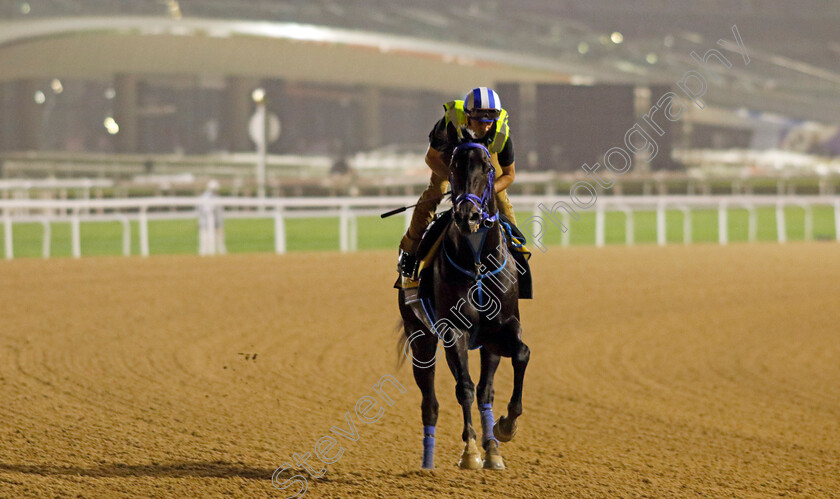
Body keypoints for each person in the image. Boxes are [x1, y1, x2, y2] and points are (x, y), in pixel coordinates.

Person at [397, 87, 517, 278]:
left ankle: (516, 251)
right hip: (450, 159)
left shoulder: (501, 133)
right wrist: (456, 180)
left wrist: (486, 190)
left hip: (485, 158)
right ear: (468, 115)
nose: (485, 127)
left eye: (489, 122)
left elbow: (509, 175)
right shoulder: (447, 125)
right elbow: (431, 158)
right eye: (479, 121)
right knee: (434, 193)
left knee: (501, 201)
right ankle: (409, 251)